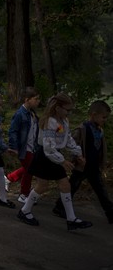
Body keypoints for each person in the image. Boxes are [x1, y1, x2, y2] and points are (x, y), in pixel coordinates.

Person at [18, 93, 92, 230]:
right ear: (58, 108)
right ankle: (24, 211)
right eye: (67, 110)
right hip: (44, 156)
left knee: (65, 185)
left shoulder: (63, 121)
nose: (69, 112)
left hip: (54, 156)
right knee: (42, 186)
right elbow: (48, 147)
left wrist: (78, 152)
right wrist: (62, 161)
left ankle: (71, 219)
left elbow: (67, 139)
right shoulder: (49, 122)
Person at [52, 100, 112, 224]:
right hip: (82, 165)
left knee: (101, 190)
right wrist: (75, 158)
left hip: (94, 166)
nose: (104, 120)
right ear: (94, 114)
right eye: (103, 117)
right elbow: (73, 143)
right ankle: (59, 207)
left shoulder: (100, 130)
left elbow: (100, 148)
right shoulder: (82, 129)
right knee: (73, 186)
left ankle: (110, 213)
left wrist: (102, 162)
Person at [5, 87, 40, 203]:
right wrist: (13, 147)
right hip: (24, 148)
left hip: (32, 147)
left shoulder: (32, 114)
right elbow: (13, 131)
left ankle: (9, 178)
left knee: (29, 168)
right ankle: (23, 194)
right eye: (35, 99)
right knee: (30, 170)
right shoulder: (20, 114)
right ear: (27, 100)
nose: (38, 101)